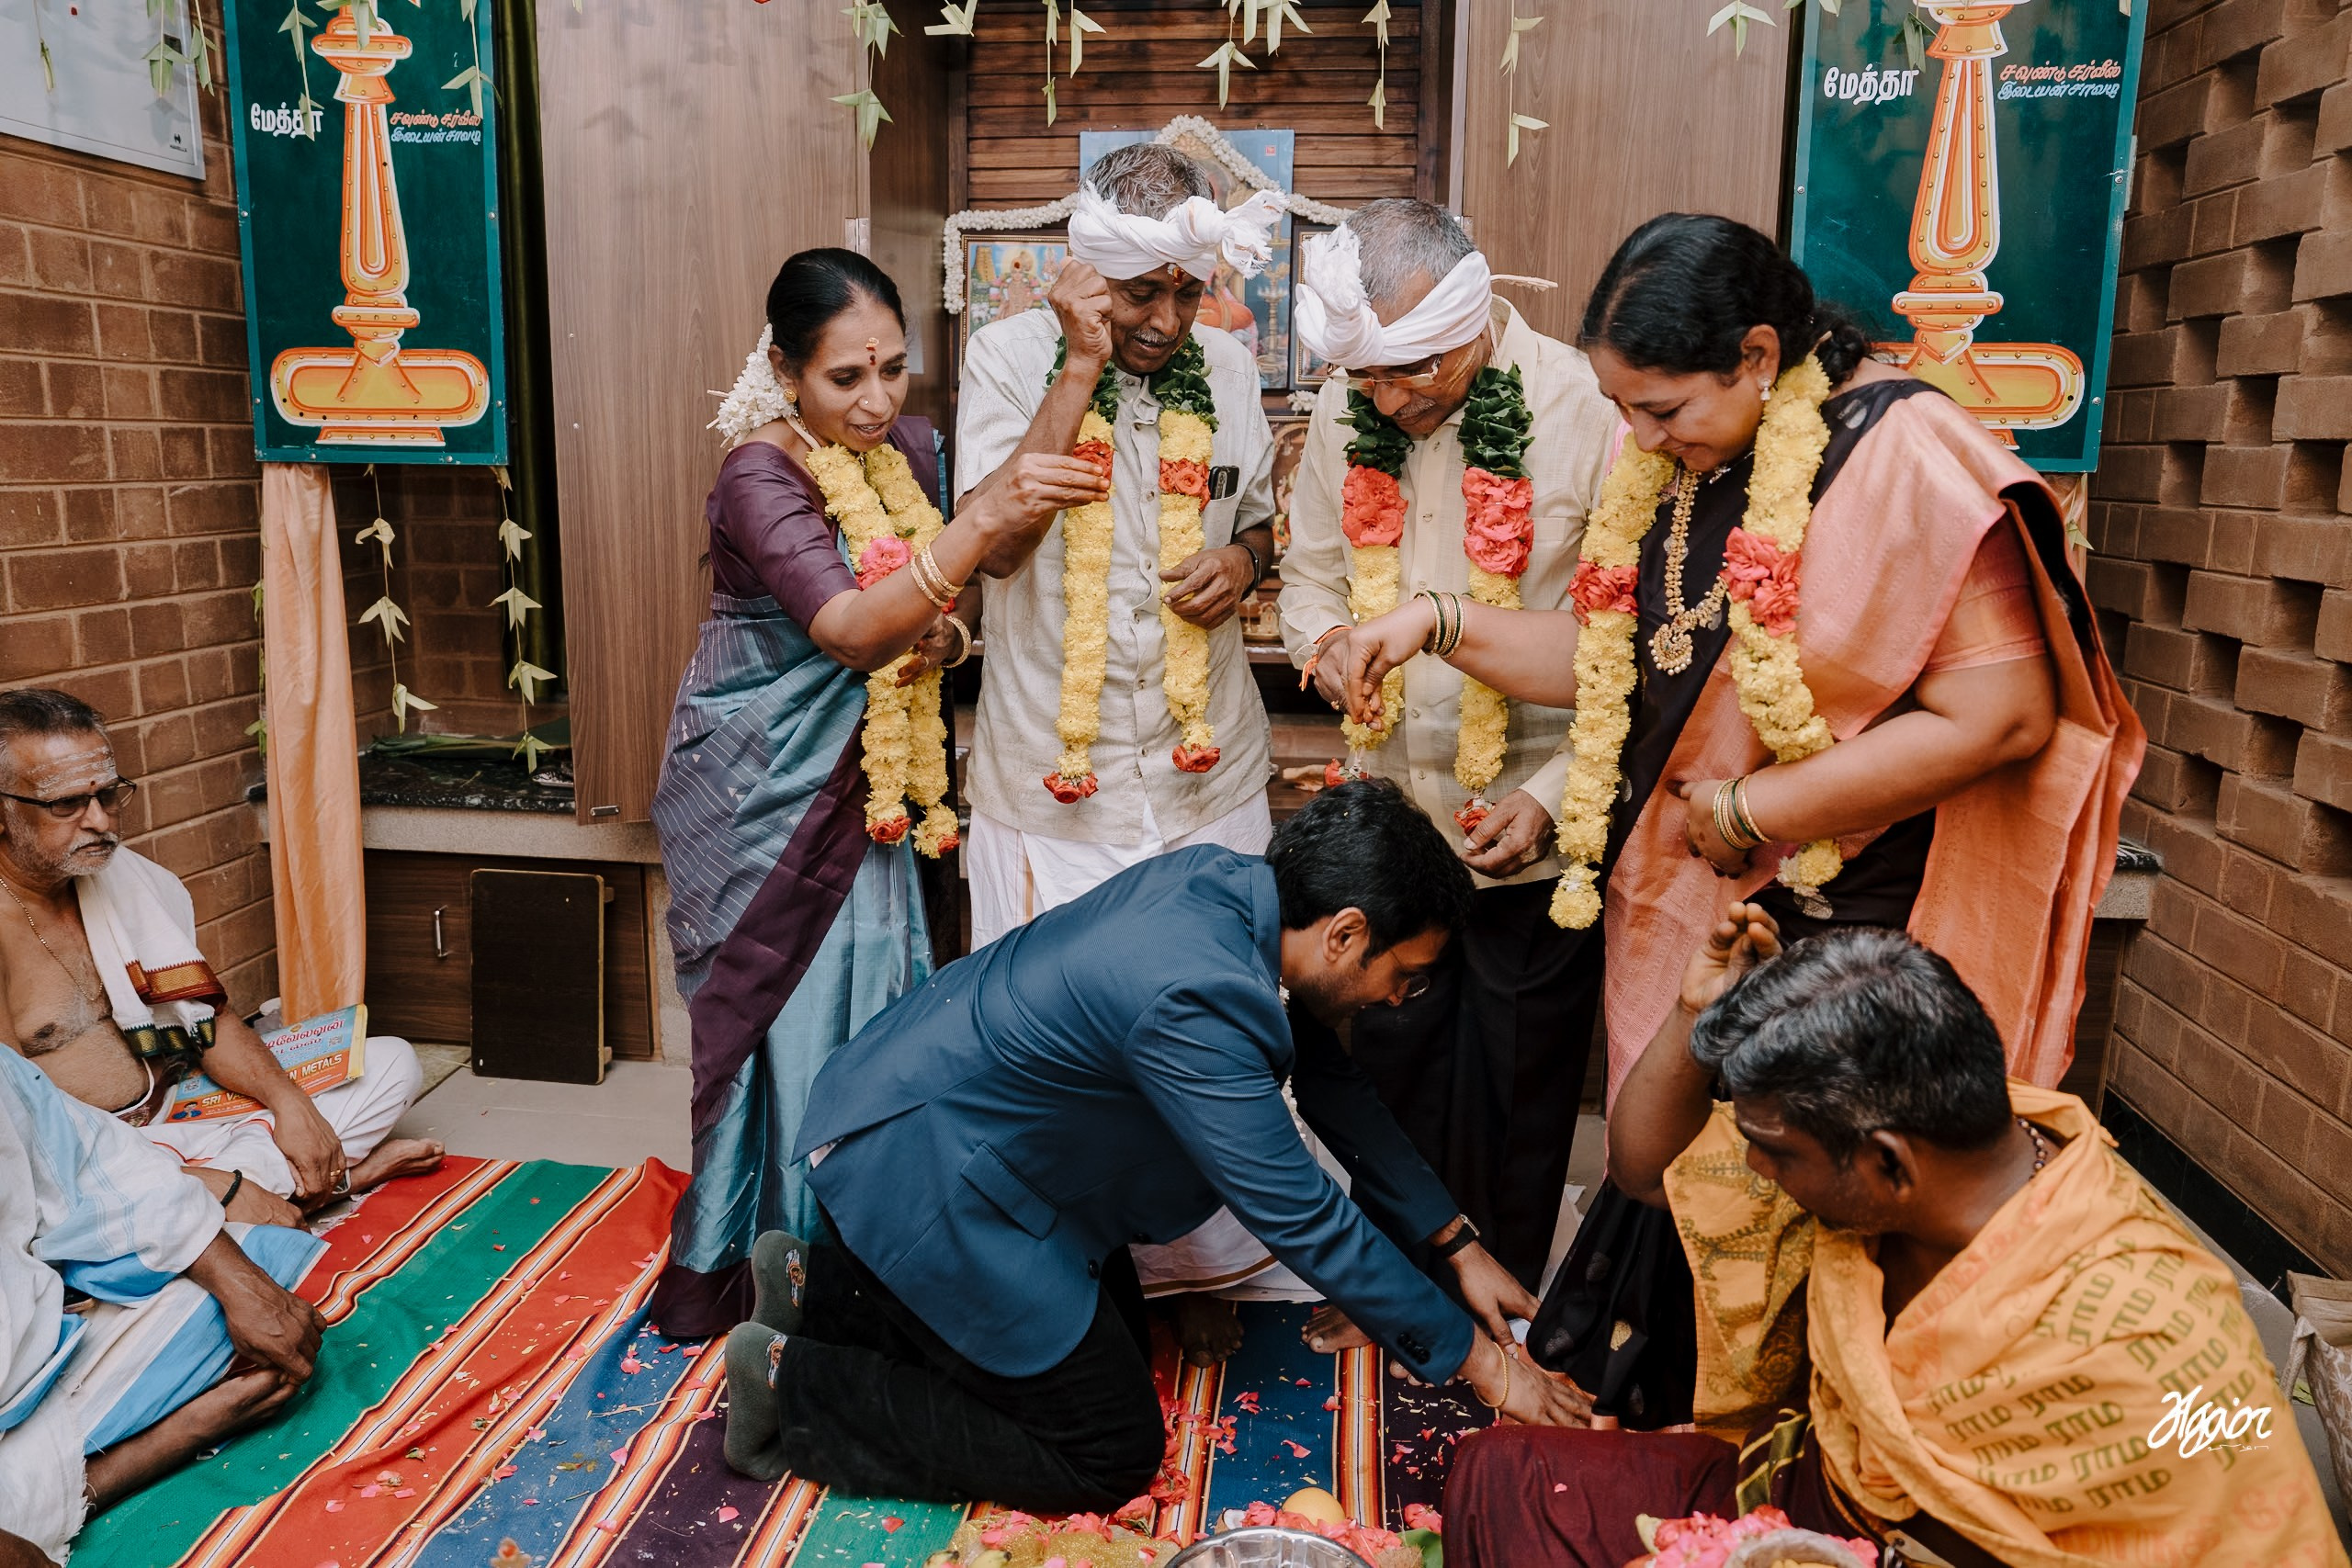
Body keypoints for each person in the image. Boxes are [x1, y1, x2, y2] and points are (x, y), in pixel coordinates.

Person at [1343, 213, 2142, 1099]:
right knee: (1678, 1187)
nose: (1639, 439)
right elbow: (1616, 659)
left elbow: (2006, 715)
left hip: (1854, 918)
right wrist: (1437, 620)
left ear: (1758, 356)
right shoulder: (1684, 462)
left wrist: (1752, 807)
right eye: (1621, 409)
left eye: (1661, 409)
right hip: (1694, 895)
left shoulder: (1902, 450)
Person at [719, 781, 1587, 1513]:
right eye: (1405, 975)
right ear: (1346, 933)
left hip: (970, 1145)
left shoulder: (1240, 892)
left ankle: (819, 1288)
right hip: (926, 1172)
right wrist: (1488, 1368)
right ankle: (790, 1390)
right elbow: (1304, 1217)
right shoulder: (1199, 993)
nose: (1401, 999)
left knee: (1117, 1364)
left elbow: (1334, 1087)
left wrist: (1454, 1239)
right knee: (1107, 1448)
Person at [1442, 908, 2350, 1568]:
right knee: (1494, 1474)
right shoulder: (1887, 1162)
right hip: (1801, 1495)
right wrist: (1691, 1015)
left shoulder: (2152, 1329)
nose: (1753, 1174)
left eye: (1772, 1155)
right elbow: (1642, 1168)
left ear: (1886, 1165)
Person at [647, 249, 1102, 1337]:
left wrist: (1078, 366)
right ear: (785, 372)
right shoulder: (761, 472)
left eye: (895, 370)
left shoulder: (901, 449)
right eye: (846, 378)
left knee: (879, 1002)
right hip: (763, 781)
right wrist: (971, 535)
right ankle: (783, 1260)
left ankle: (872, 1241)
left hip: (870, 778)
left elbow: (957, 562)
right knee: (796, 1011)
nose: (879, 399)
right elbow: (850, 625)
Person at [955, 143, 1295, 1343]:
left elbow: (1262, 517)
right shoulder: (1005, 359)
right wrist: (1081, 366)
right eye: (1136, 292)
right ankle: (1074, 1290)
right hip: (1060, 776)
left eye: (1184, 291)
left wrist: (1243, 561)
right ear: (1086, 276)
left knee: (1212, 1032)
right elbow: (990, 546)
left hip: (1208, 774)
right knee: (1063, 1056)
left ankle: (1207, 1272)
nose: (1164, 318)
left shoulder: (1236, 370)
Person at [1278, 199, 1621, 1292]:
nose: (1384, 400)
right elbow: (1313, 577)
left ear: (1473, 318)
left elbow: (1621, 644)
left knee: (1520, 1086)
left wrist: (1560, 793)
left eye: (1410, 371)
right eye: (1367, 377)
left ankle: (1498, 1305)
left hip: (1531, 820)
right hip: (1393, 819)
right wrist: (1325, 644)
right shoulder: (1348, 408)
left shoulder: (1585, 408)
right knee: (1389, 1065)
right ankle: (1384, 1292)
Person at [0, 689, 440, 1229]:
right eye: (66, 804)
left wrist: (289, 1104)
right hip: (91, 1159)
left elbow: (208, 1020)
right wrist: (212, 1183)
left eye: (109, 795)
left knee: (391, 1062)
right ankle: (308, 1188)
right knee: (63, 1209)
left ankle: (248, 1203)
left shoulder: (127, 879)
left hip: (182, 1105)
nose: (99, 821)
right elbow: (17, 1129)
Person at [0, 1038, 324, 1565]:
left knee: (249, 1268)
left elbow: (92, 1159)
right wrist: (183, 1433)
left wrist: (243, 1284)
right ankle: (139, 1452)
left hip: (33, 1357)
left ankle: (253, 1179)